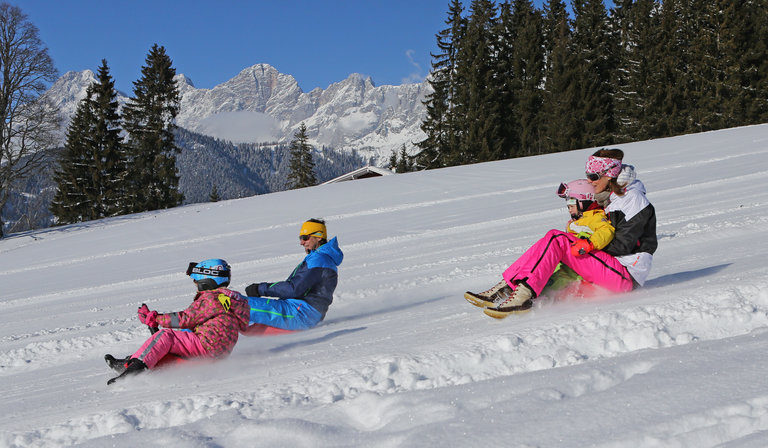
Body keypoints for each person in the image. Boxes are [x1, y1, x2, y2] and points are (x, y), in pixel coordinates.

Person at [465, 148, 657, 319]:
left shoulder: (632, 199)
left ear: (609, 175)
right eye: (588, 175)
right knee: (553, 250)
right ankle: (511, 288)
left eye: (594, 176)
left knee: (557, 240)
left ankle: (520, 291)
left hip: (625, 274)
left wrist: (584, 244)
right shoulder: (612, 198)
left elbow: (624, 245)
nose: (590, 181)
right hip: (611, 269)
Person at [104, 258, 250, 384]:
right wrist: (153, 326)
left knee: (167, 336)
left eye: (196, 281)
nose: (195, 285)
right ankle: (128, 364)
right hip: (219, 352)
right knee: (169, 344)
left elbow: (185, 319)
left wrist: (156, 318)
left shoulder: (212, 298)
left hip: (206, 345)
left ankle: (132, 370)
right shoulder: (232, 300)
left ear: (207, 280)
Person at [242, 218, 343, 332]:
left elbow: (293, 288)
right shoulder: (321, 258)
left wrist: (259, 289)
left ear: (319, 236)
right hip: (304, 311)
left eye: (305, 238)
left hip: (301, 311)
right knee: (244, 314)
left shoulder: (319, 260)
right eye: (300, 238)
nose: (301, 242)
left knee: (238, 305)